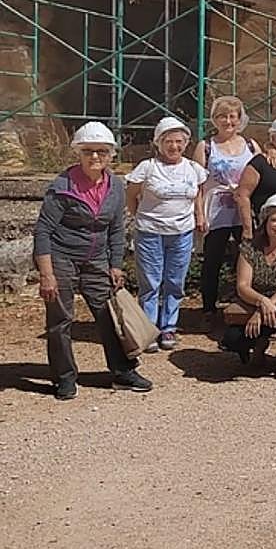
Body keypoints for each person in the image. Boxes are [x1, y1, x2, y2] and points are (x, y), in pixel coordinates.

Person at [35, 122, 152, 399]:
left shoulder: (116, 187)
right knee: (60, 321)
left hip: (97, 260)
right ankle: (64, 378)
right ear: (79, 153)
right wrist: (47, 274)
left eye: (101, 151)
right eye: (89, 151)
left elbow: (116, 228)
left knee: (109, 316)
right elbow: (43, 230)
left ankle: (123, 371)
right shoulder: (62, 186)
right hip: (62, 257)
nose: (95, 157)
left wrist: (115, 264)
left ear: (111, 154)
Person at [126, 117, 207, 352]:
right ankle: (149, 328)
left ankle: (169, 326)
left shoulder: (193, 168)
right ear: (158, 143)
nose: (174, 146)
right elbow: (131, 195)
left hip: (182, 232)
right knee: (151, 282)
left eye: (179, 141)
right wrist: (140, 216)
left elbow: (198, 193)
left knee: (175, 281)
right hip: (151, 232)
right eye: (169, 141)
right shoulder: (147, 167)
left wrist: (199, 215)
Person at [221, 192, 276, 377]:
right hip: (253, 299)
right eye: (275, 220)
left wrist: (265, 308)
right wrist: (262, 302)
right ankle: (259, 346)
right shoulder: (249, 248)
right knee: (231, 339)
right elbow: (243, 285)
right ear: (265, 222)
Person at [194, 95, 261, 318]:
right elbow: (197, 184)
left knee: (245, 258)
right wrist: (200, 214)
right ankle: (208, 309)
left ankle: (244, 304)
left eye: (232, 116)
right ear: (214, 119)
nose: (228, 121)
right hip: (217, 210)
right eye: (222, 116)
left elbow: (262, 173)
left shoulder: (250, 145)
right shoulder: (206, 146)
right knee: (212, 260)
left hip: (243, 212)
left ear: (240, 119)